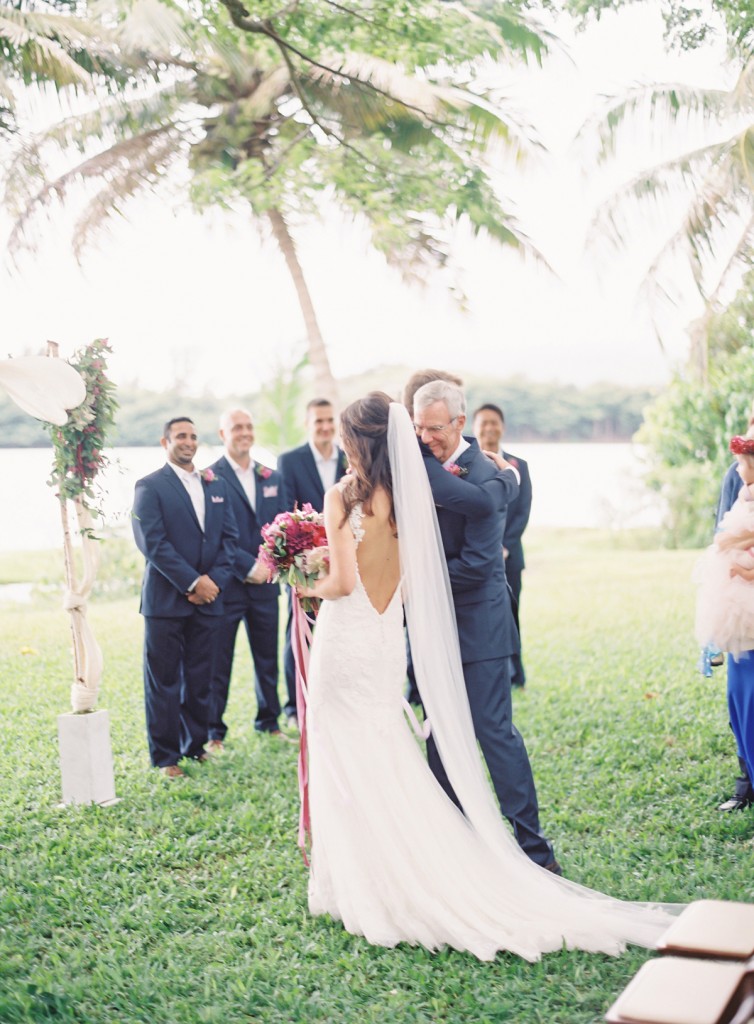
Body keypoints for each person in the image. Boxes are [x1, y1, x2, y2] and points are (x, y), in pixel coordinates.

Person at [298, 391, 676, 961]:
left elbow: (344, 583)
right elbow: (471, 509)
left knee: (351, 752)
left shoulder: (341, 495)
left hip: (349, 638)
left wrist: (305, 584)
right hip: (381, 643)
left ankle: (370, 877)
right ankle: (411, 860)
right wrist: (504, 478)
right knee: (386, 751)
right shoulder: (414, 492)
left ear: (354, 441)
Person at [413, 380, 556, 870]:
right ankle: (451, 838)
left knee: (494, 732)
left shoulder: (487, 474)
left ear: (459, 422)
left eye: (435, 428)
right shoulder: (415, 460)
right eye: (419, 427)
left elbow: (476, 565)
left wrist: (412, 583)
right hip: (433, 628)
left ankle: (535, 848)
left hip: (480, 622)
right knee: (438, 732)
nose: (426, 437)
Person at [132, 417, 238, 778]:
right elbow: (153, 544)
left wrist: (214, 582)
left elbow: (229, 542)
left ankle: (193, 746)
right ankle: (165, 757)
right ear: (165, 442)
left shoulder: (216, 484)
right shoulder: (149, 486)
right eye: (181, 436)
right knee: (163, 682)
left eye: (193, 436)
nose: (188, 441)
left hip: (209, 600)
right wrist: (192, 583)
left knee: (200, 679)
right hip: (166, 602)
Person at [207, 408, 288, 750]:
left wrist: (270, 564)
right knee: (218, 659)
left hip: (266, 584)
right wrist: (245, 566)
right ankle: (214, 732)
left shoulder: (271, 475)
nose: (244, 432)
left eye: (248, 426)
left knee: (267, 656)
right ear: (222, 434)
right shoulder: (209, 476)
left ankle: (269, 721)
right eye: (236, 427)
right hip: (228, 584)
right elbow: (212, 535)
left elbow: (283, 524)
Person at [277, 399, 348, 727]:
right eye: (318, 420)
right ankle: (295, 706)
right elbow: (285, 511)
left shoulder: (350, 456)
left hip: (345, 560)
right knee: (300, 631)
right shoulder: (290, 461)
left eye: (329, 420)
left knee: (339, 631)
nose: (324, 426)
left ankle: (335, 698)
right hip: (306, 561)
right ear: (307, 423)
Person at [696, 432, 754, 811]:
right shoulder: (742, 491)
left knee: (750, 706)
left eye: (744, 462)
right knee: (738, 703)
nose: (737, 468)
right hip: (737, 618)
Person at [473, 401, 532, 688]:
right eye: (483, 422)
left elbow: (522, 512)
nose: (489, 428)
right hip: (476, 556)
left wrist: (505, 546)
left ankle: (516, 671)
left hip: (510, 557)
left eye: (494, 422)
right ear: (473, 427)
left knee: (511, 612)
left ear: (503, 427)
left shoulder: (520, 465)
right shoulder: (466, 466)